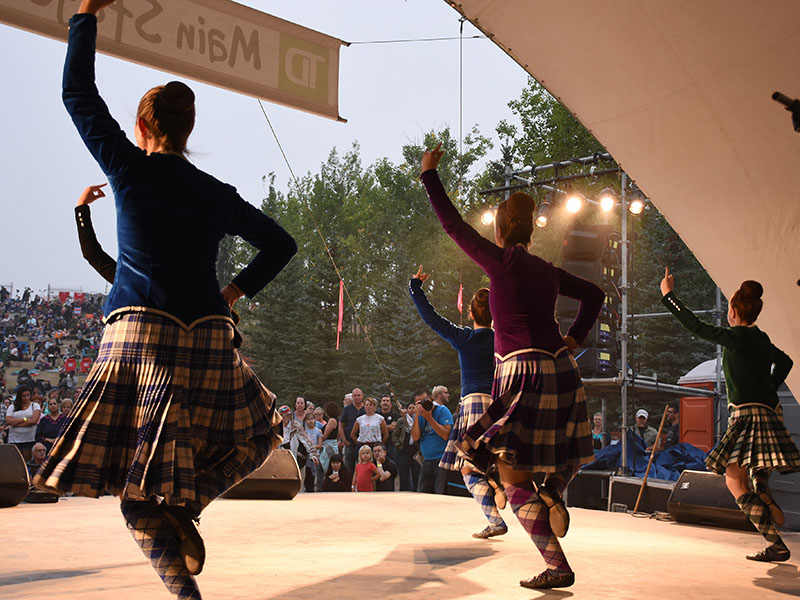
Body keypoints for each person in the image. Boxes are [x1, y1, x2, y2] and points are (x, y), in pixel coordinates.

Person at [33, 3, 297, 598]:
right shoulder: (216, 193)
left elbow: (76, 91)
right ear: (188, 130)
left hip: (139, 336)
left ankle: (184, 590)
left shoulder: (127, 169)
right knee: (261, 435)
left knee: (135, 487)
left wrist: (83, 14)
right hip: (207, 334)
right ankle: (192, 503)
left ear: (141, 127)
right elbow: (282, 244)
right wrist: (232, 291)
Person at [420, 144, 604, 589]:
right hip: (562, 370)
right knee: (557, 450)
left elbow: (452, 224)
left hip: (521, 372)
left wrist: (429, 175)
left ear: (500, 231)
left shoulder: (501, 263)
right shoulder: (549, 270)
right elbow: (596, 295)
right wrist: (574, 338)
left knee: (501, 466)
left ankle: (556, 562)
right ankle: (554, 491)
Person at [660, 269, 799, 562]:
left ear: (733, 311)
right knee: (758, 461)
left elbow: (694, 324)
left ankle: (776, 543)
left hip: (745, 414)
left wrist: (668, 296)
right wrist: (768, 387)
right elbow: (785, 361)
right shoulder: (762, 339)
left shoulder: (734, 337)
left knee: (734, 481)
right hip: (771, 412)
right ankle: (761, 484)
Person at [409, 264, 506, 538]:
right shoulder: (502, 340)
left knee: (467, 466)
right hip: (500, 404)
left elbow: (432, 318)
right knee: (497, 459)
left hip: (474, 403)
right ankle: (498, 492)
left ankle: (495, 518)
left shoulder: (465, 338)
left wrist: (415, 287)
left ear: (471, 313)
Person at [410, 387, 453, 494]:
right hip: (426, 460)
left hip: (442, 460)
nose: (423, 404)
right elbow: (415, 437)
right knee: (423, 493)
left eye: (425, 400)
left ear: (431, 398)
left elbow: (445, 435)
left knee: (440, 493)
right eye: (419, 402)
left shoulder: (442, 410)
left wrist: (429, 417)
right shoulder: (418, 415)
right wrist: (416, 416)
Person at [5, 385, 42, 461]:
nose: (26, 398)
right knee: (15, 461)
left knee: (27, 460)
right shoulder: (12, 407)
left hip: (29, 438)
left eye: (28, 395)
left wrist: (15, 423)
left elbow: (34, 420)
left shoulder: (35, 406)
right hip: (14, 438)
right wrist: (24, 419)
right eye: (24, 396)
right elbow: (8, 421)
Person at [339, 388, 366, 473]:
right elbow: (341, 425)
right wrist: (344, 440)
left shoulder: (366, 408)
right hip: (350, 443)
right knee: (348, 468)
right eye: (355, 396)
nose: (357, 397)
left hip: (363, 443)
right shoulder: (347, 409)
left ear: (362, 396)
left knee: (363, 468)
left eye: (358, 395)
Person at [303, 411, 324, 492]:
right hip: (306, 455)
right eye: (308, 419)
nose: (310, 421)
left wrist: (312, 447)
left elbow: (319, 445)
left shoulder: (318, 431)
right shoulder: (304, 431)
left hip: (315, 455)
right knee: (307, 474)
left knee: (314, 474)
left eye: (312, 419)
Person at [319, 402, 340, 474]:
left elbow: (325, 435)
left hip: (328, 446)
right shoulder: (336, 420)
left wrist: (316, 440)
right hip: (332, 444)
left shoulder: (332, 421)